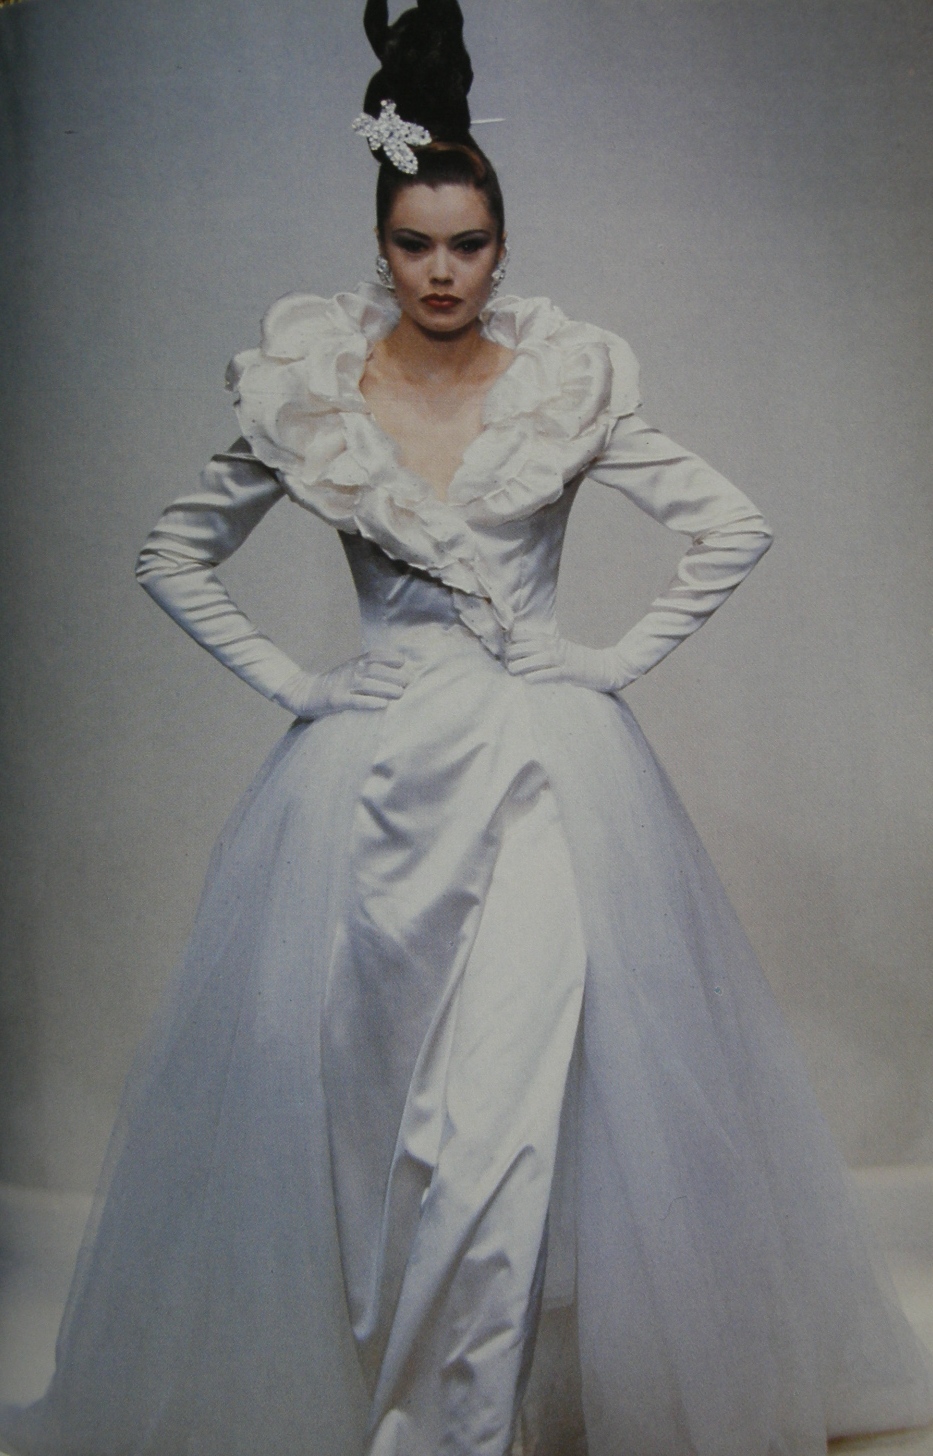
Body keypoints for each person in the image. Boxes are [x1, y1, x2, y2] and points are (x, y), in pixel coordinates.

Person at [2, 2, 932, 1454]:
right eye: (415, 243)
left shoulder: (560, 386)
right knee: (378, 1117)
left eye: (469, 243)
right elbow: (171, 551)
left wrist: (605, 660)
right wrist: (300, 682)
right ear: (380, 246)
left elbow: (730, 526)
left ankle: (462, 1429)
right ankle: (399, 1385)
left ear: (503, 247)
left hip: (542, 780)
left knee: (509, 1101)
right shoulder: (316, 392)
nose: (442, 271)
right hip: (367, 789)